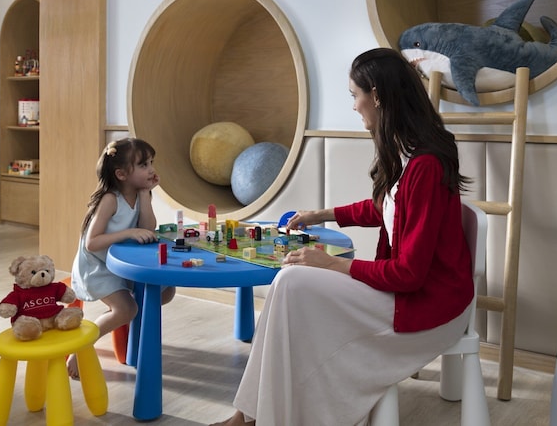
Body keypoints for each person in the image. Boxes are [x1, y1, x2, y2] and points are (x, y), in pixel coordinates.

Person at [211, 48, 474, 426]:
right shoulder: (409, 153)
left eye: (355, 95)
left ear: (376, 96)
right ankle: (250, 414)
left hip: (430, 305)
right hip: (411, 293)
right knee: (290, 282)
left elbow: (409, 274)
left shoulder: (425, 166)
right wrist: (320, 215)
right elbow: (386, 209)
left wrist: (332, 264)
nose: (353, 105)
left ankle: (253, 416)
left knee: (292, 281)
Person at [67, 137, 175, 378]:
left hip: (120, 264)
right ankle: (81, 347)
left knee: (167, 290)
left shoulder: (139, 194)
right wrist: (128, 233)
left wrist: (145, 193)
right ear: (122, 174)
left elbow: (147, 228)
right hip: (96, 267)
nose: (151, 169)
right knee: (126, 309)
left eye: (151, 163)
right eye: (144, 165)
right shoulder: (110, 200)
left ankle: (132, 331)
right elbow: (92, 242)